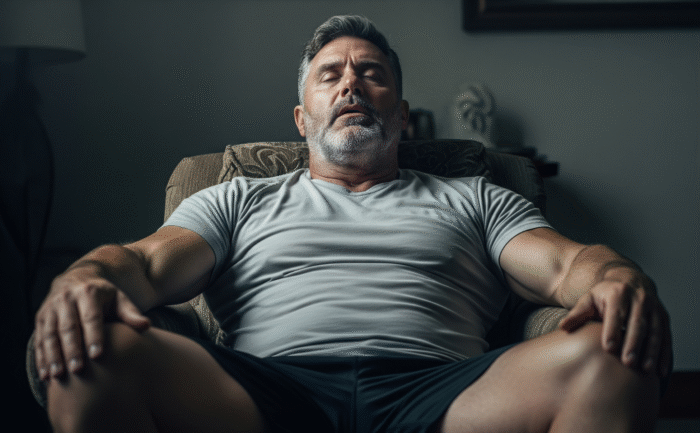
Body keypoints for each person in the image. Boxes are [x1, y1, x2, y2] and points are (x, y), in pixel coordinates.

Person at [34, 15, 671, 433]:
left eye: (373, 75)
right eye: (330, 75)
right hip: (268, 392)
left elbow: (565, 265)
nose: (352, 86)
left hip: (443, 392)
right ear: (302, 119)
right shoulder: (237, 198)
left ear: (402, 116)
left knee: (607, 356)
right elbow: (143, 265)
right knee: (98, 354)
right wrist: (86, 277)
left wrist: (614, 277)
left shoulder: (474, 196)